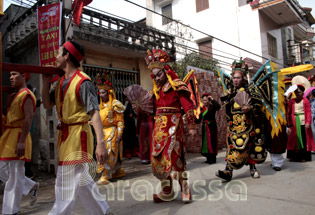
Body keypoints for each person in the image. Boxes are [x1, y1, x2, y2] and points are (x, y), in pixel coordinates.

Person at [42, 40, 110, 215]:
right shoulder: (59, 84)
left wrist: (100, 143)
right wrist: (45, 82)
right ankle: (102, 212)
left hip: (78, 135)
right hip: (66, 135)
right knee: (81, 181)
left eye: (58, 53)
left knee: (65, 182)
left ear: (67, 56)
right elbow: (48, 104)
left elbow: (94, 113)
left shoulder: (83, 82)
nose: (55, 57)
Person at [136, 49, 196, 203]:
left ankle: (184, 188)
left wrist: (191, 126)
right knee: (159, 160)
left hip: (174, 127)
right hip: (159, 130)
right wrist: (141, 109)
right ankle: (167, 190)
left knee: (176, 158)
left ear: (166, 71)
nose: (156, 78)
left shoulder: (177, 86)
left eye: (159, 74)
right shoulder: (155, 92)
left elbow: (188, 106)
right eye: (154, 76)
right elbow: (153, 112)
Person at [216, 59, 265, 181]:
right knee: (232, 147)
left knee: (250, 146)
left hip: (248, 125)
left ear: (243, 79)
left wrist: (250, 108)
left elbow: (260, 108)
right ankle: (228, 171)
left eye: (238, 78)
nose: (235, 80)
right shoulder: (230, 93)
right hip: (234, 126)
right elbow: (227, 110)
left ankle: (253, 168)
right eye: (234, 78)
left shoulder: (251, 91)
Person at [0, 71, 39, 215]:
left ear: (24, 76)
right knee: (4, 170)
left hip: (18, 135)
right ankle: (31, 186)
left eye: (14, 74)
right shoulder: (14, 95)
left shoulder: (27, 95)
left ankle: (11, 211)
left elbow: (28, 118)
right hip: (8, 135)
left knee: (15, 175)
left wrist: (22, 141)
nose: (11, 77)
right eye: (10, 75)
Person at [96, 74, 126, 185]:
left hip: (113, 132)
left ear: (109, 93)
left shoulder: (115, 104)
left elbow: (120, 121)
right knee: (103, 152)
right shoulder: (100, 105)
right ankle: (117, 171)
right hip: (103, 132)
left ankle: (106, 174)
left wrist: (119, 133)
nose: (101, 95)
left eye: (103, 92)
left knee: (110, 152)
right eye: (100, 92)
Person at [286, 85, 315, 162]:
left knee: (303, 139)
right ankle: (293, 157)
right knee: (293, 139)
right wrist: (288, 124)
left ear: (302, 93)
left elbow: (309, 112)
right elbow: (288, 113)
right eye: (296, 92)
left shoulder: (305, 101)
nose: (298, 94)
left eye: (299, 92)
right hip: (294, 122)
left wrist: (308, 122)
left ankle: (303, 157)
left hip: (303, 122)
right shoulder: (292, 101)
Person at [197, 93, 221, 164]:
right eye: (203, 100)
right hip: (205, 126)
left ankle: (213, 159)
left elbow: (218, 106)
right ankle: (208, 157)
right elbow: (198, 117)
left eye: (206, 100)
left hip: (212, 126)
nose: (205, 102)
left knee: (212, 142)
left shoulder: (212, 106)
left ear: (209, 100)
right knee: (206, 142)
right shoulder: (202, 108)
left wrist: (212, 100)